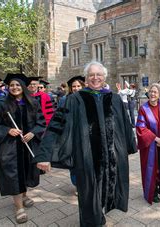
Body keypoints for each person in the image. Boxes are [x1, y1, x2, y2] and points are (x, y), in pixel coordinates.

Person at [34, 61, 136, 226]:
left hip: (111, 158)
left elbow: (125, 124)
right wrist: (44, 155)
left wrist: (129, 147)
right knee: (88, 197)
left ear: (104, 77)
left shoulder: (114, 99)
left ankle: (100, 214)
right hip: (86, 157)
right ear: (86, 78)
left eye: (99, 75)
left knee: (106, 191)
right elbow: (56, 125)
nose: (95, 78)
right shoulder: (74, 100)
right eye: (91, 75)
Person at [0, 73, 46, 224]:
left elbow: (41, 123)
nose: (14, 87)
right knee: (13, 174)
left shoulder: (33, 103)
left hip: (28, 146)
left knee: (26, 172)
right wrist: (7, 130)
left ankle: (24, 195)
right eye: (12, 85)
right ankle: (19, 207)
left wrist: (33, 133)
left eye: (18, 85)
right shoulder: (2, 104)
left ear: (23, 87)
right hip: (10, 147)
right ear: (8, 87)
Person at [136, 83, 160, 204]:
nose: (152, 94)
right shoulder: (143, 109)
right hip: (150, 145)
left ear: (159, 95)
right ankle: (154, 192)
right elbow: (141, 127)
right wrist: (156, 139)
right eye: (151, 91)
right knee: (153, 169)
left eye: (155, 92)